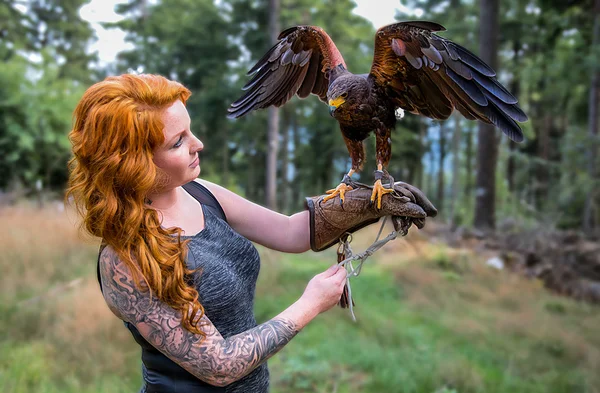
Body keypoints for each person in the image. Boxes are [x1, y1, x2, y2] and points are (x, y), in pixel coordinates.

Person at [66, 73, 436, 393]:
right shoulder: (126, 259)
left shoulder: (200, 192)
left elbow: (291, 231)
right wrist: (310, 304)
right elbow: (218, 365)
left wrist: (369, 204)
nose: (198, 145)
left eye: (189, 131)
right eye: (178, 142)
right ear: (132, 162)